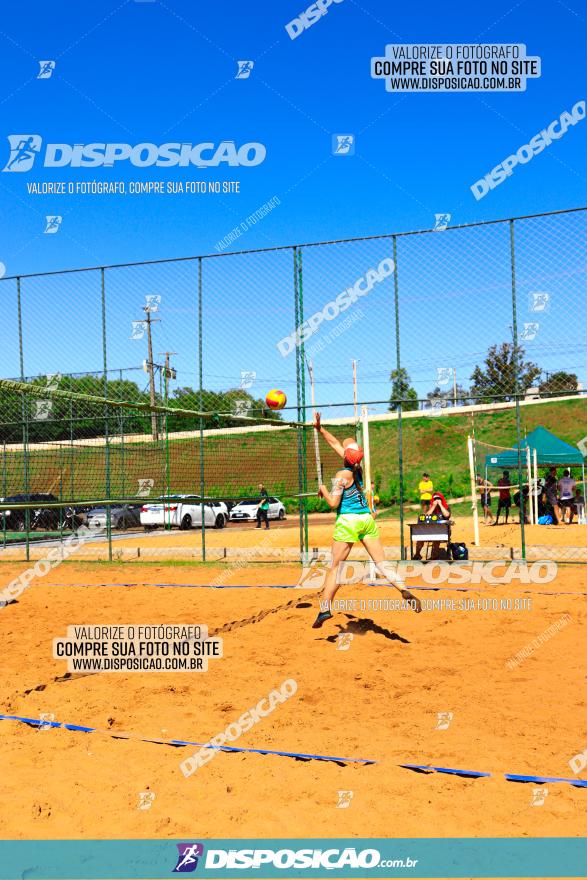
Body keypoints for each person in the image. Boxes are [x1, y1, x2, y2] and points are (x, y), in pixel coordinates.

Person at [310, 413, 421, 628]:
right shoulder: (357, 468)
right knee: (382, 564)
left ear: (345, 457)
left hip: (348, 521)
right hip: (366, 519)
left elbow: (333, 503)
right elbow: (339, 444)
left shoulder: (341, 475)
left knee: (335, 568)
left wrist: (322, 489)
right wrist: (320, 428)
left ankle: (324, 609)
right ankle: (403, 590)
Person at [413, 491, 451, 560]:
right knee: (420, 537)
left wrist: (440, 504)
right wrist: (433, 506)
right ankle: (417, 554)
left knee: (436, 538)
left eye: (438, 498)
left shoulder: (445, 507)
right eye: (435, 499)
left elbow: (447, 515)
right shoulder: (432, 508)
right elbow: (426, 516)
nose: (437, 500)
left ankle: (434, 557)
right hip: (430, 530)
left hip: (442, 531)